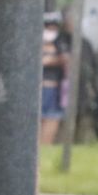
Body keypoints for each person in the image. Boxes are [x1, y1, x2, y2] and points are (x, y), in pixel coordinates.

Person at [39, 12, 67, 145]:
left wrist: (54, 60)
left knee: (51, 119)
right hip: (36, 90)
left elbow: (67, 61)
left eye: (54, 28)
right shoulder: (32, 43)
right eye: (48, 27)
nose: (51, 31)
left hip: (54, 91)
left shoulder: (61, 44)